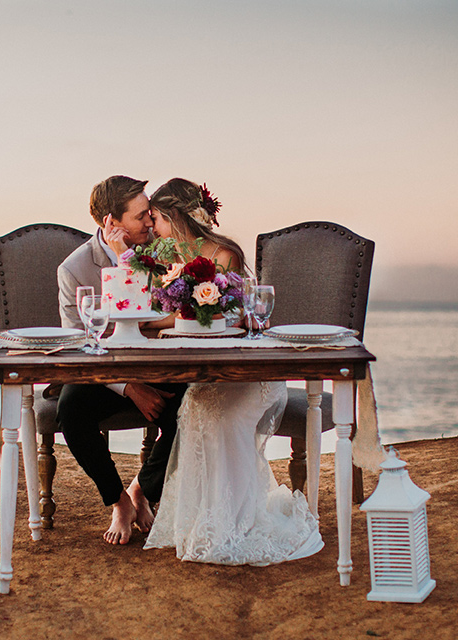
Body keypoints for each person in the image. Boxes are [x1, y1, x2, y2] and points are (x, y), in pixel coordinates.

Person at [142, 178, 324, 565]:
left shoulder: (225, 255)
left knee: (220, 415)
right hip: (212, 376)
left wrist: (157, 324)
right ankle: (208, 518)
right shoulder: (171, 258)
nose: (152, 227)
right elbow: (180, 315)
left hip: (249, 375)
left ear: (174, 217)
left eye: (156, 218)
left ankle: (236, 520)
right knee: (195, 407)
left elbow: (232, 319)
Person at [56, 175, 186, 545]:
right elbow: (81, 344)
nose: (150, 221)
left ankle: (141, 490)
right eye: (141, 215)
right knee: (71, 411)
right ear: (111, 223)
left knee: (195, 405)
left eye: (150, 214)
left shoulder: (161, 250)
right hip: (103, 377)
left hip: (158, 364)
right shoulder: (75, 269)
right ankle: (118, 501)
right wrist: (130, 388)